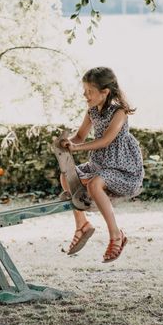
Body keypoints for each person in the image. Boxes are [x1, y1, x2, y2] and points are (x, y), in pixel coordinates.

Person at [60, 67, 144, 262]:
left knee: (94, 184)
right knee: (66, 175)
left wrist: (76, 149)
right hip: (100, 164)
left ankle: (116, 235)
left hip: (121, 167)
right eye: (84, 90)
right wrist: (68, 143)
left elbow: (106, 140)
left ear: (104, 92)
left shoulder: (119, 112)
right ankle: (82, 224)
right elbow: (80, 136)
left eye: (89, 91)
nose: (85, 94)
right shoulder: (92, 112)